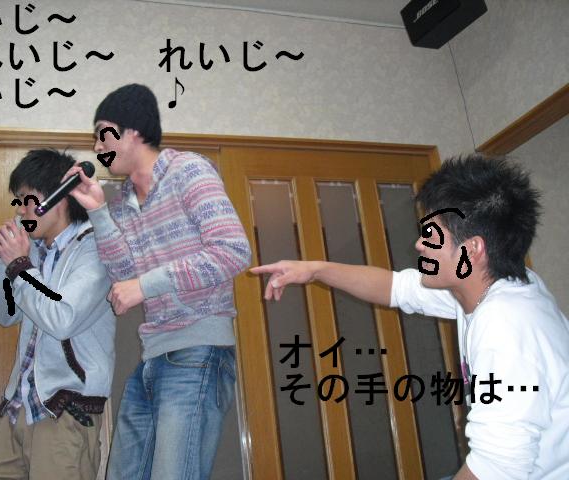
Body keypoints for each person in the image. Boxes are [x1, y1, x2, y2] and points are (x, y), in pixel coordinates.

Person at [251, 154, 569, 480]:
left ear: (471, 250)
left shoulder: (506, 326)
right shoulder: (502, 286)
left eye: (432, 234)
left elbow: (496, 470)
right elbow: (395, 288)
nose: (419, 244)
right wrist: (314, 270)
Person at [65, 83, 252, 479]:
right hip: (153, 356)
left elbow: (233, 251)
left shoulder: (188, 170)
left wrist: (145, 286)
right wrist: (98, 211)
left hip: (198, 350)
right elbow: (125, 277)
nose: (97, 147)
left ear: (133, 131)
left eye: (103, 133)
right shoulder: (122, 201)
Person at [0, 149, 116, 480]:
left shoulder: (95, 248)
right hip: (18, 406)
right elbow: (4, 315)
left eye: (26, 199)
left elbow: (61, 319)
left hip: (65, 408)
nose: (20, 210)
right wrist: (3, 261)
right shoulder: (35, 251)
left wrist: (20, 267)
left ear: (56, 197)